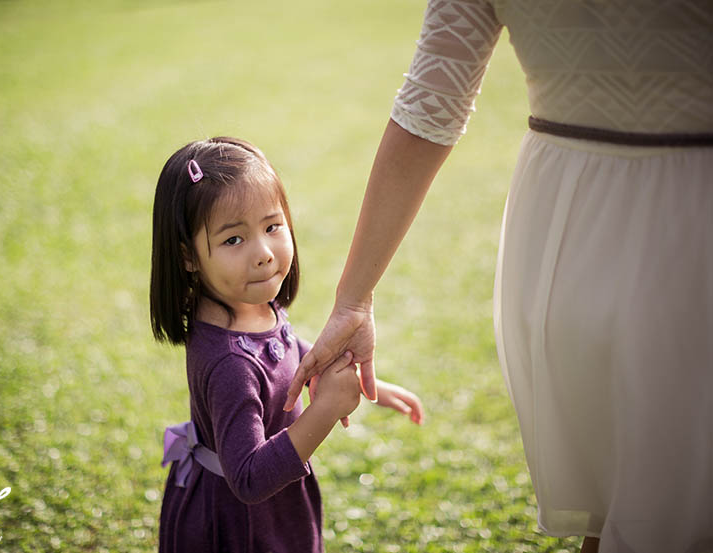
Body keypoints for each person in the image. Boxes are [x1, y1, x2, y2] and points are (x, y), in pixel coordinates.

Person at [284, 1, 713, 553]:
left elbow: (430, 103)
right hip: (687, 209)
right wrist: (353, 303)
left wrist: (355, 298)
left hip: (565, 225)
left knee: (616, 513)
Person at [150, 137, 423, 552]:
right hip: (237, 524)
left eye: (272, 227)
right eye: (233, 240)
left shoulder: (252, 304)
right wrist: (327, 409)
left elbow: (284, 346)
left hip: (276, 506)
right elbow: (249, 478)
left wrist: (369, 386)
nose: (263, 253)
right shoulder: (228, 362)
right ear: (188, 257)